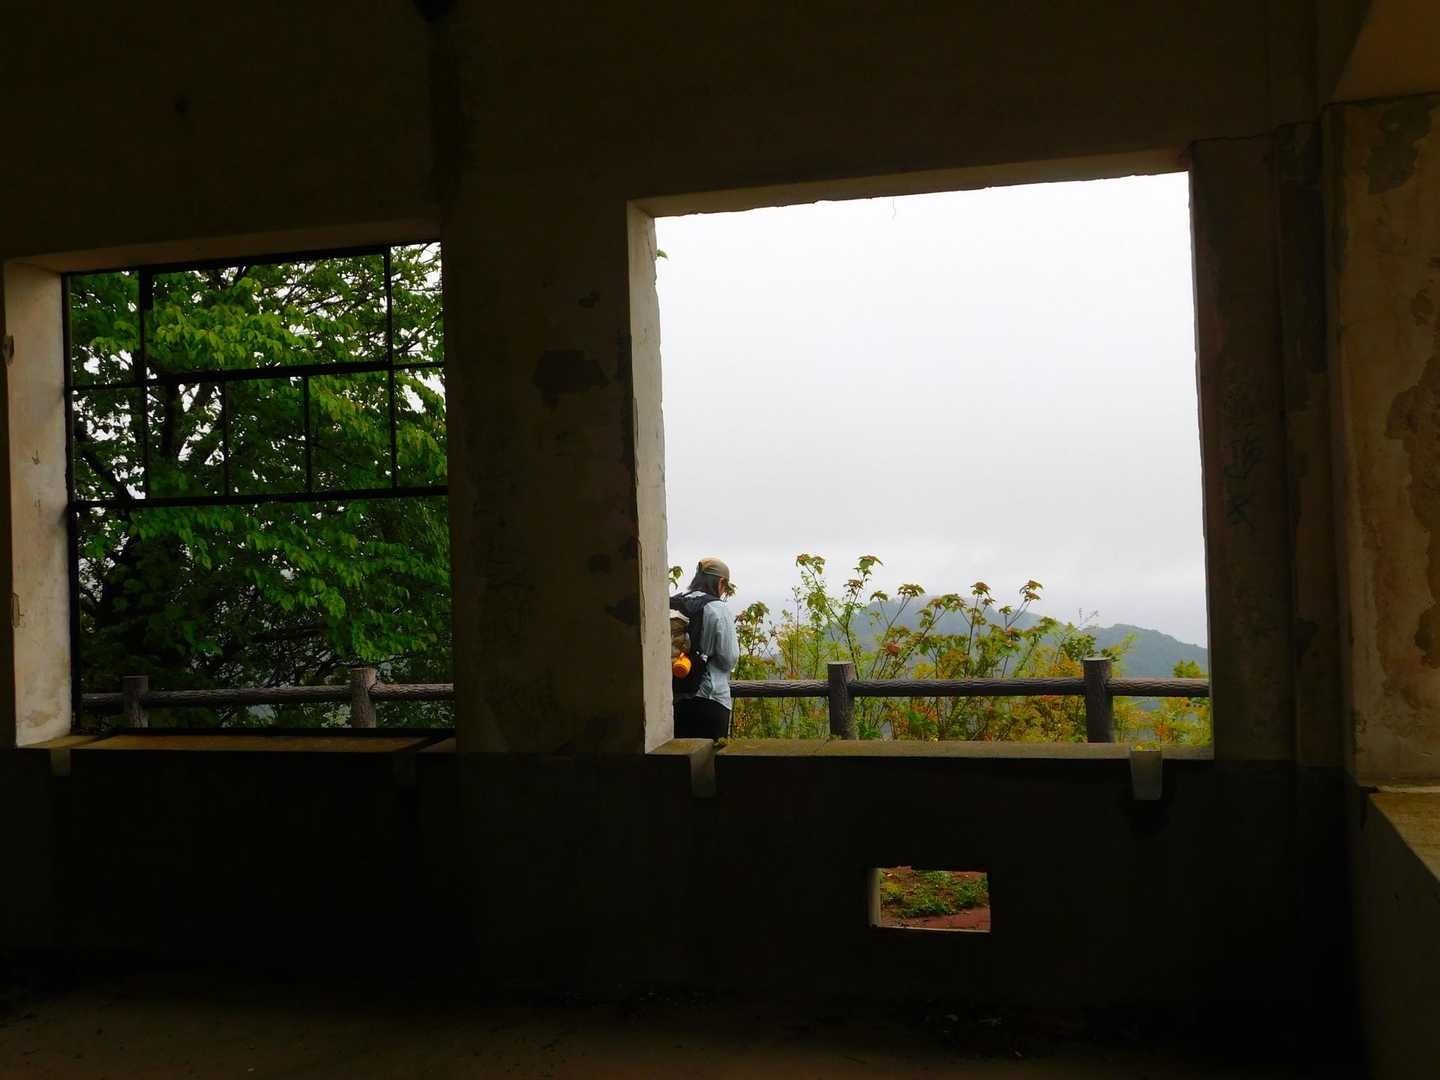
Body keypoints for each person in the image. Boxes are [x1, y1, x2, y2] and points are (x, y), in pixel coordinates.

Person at [670, 557, 739, 740]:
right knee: (709, 755)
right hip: (711, 698)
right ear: (721, 582)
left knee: (679, 754)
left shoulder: (675, 603)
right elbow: (729, 658)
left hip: (676, 697)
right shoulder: (718, 608)